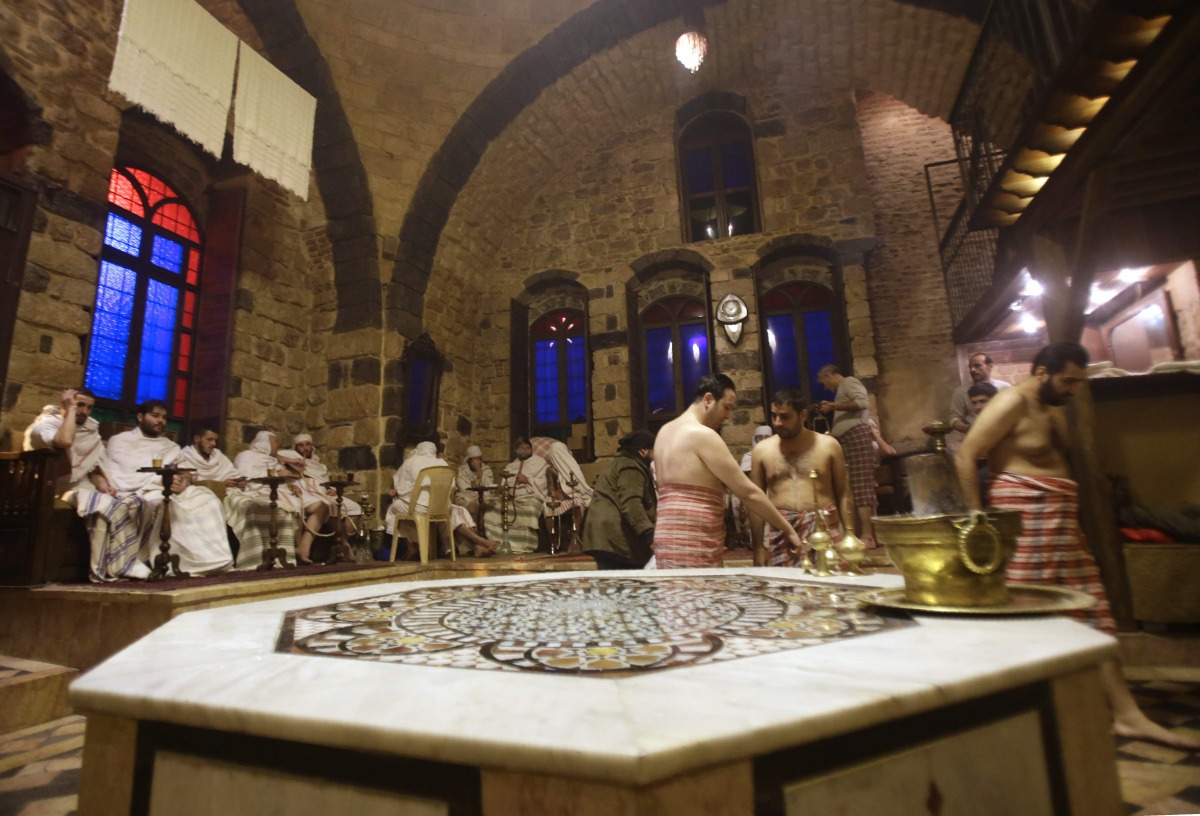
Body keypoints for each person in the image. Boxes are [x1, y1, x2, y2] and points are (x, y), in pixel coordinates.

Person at [956, 341, 1200, 750]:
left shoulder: (1056, 409)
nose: (1073, 389)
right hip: (1026, 519)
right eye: (1067, 380)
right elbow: (966, 456)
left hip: (1062, 523)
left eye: (1078, 382)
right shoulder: (1010, 403)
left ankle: (1127, 715)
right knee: (1027, 617)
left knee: (1092, 613)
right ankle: (1022, 719)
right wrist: (977, 521)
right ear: (1041, 372)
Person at [652, 373, 803, 568]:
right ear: (708, 399)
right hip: (693, 542)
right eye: (727, 407)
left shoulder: (664, 433)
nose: (728, 416)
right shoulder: (702, 435)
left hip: (666, 540)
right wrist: (787, 529)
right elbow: (747, 492)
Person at [23, 388, 151, 581]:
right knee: (106, 507)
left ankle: (129, 560)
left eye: (89, 407)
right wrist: (70, 410)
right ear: (66, 403)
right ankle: (117, 565)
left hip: (82, 486)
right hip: (54, 489)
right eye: (80, 405)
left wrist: (103, 485)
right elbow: (64, 441)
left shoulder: (90, 430)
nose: (84, 411)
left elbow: (93, 469)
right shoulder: (46, 425)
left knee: (135, 501)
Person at [102, 400, 233, 575]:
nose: (160, 421)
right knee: (163, 504)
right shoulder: (121, 441)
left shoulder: (169, 445)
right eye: (155, 416)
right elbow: (124, 475)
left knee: (209, 500)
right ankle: (166, 560)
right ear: (140, 417)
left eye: (163, 417)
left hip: (172, 488)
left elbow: (184, 471)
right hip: (143, 489)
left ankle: (212, 561)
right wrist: (162, 482)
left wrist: (183, 480)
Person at [750, 390, 856, 568]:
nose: (777, 423)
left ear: (803, 415)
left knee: (830, 591)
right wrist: (759, 547)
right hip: (781, 532)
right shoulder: (762, 451)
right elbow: (755, 502)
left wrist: (851, 536)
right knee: (783, 592)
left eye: (785, 417)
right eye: (774, 416)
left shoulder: (829, 446)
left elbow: (843, 493)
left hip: (824, 529)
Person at [176, 425, 296, 570]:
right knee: (249, 508)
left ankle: (275, 555)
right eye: (209, 440)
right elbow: (191, 480)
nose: (213, 444)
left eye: (215, 440)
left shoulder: (217, 456)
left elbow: (233, 473)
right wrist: (221, 483)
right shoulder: (185, 456)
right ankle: (254, 558)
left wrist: (240, 481)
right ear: (196, 439)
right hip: (206, 494)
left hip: (232, 492)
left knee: (270, 507)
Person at [386, 441, 499, 559]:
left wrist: (396, 492)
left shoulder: (411, 462)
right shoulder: (442, 463)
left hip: (419, 508)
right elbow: (452, 487)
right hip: (440, 508)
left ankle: (411, 548)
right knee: (455, 511)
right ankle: (480, 542)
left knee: (393, 508)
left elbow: (399, 484)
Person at [234, 430, 327, 565]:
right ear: (266, 443)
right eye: (275, 441)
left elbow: (283, 475)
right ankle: (298, 550)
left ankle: (304, 547)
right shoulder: (246, 456)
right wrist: (278, 474)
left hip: (283, 489)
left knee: (321, 506)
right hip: (262, 489)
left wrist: (290, 485)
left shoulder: (273, 459)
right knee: (292, 505)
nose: (278, 444)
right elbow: (246, 476)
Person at [816, 364, 877, 548]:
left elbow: (862, 403)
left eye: (824, 382)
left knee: (861, 484)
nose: (825, 387)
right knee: (849, 486)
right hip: (846, 440)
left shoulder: (850, 382)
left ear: (828, 375)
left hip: (856, 437)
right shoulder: (843, 389)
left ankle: (868, 536)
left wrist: (833, 406)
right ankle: (856, 533)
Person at [581, 430, 657, 570]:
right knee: (624, 586)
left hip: (606, 536)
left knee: (616, 586)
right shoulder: (631, 467)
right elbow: (631, 503)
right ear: (643, 450)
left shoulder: (622, 462)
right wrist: (649, 534)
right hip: (613, 537)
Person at [483, 436, 550, 554]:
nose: (525, 449)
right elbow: (504, 484)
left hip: (530, 496)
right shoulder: (511, 466)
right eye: (521, 447)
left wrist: (527, 479)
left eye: (527, 447)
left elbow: (544, 482)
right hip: (511, 499)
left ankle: (524, 545)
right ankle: (497, 543)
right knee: (491, 510)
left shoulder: (540, 462)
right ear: (516, 450)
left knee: (530, 508)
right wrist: (506, 491)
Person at [949, 352, 1011, 435]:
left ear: (990, 367)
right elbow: (954, 418)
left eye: (977, 366)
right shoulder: (961, 392)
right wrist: (971, 430)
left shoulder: (1005, 388)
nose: (972, 370)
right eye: (970, 367)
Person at [454, 445, 495, 516]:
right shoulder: (461, 471)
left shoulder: (486, 470)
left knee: (490, 502)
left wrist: (479, 472)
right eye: (476, 459)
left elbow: (491, 488)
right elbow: (465, 489)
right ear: (469, 460)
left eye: (480, 459)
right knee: (469, 503)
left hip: (484, 496)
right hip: (467, 496)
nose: (479, 462)